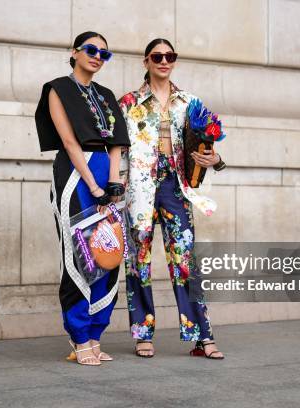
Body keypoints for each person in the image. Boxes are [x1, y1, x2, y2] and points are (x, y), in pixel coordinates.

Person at [119, 38, 227, 359]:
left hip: (175, 188)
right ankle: (143, 334)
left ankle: (202, 336)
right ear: (146, 61)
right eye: (157, 56)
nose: (164, 61)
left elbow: (207, 143)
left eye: (170, 56)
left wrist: (216, 160)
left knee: (185, 261)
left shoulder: (189, 102)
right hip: (139, 189)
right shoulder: (129, 103)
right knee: (138, 262)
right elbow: (119, 153)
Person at [35, 32, 130, 366]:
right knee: (79, 256)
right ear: (75, 52)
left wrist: (114, 183)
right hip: (76, 176)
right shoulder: (57, 88)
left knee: (109, 252)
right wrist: (95, 186)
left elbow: (118, 142)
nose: (97, 56)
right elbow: (69, 141)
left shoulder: (106, 95)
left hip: (107, 172)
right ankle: (78, 338)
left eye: (105, 53)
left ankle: (94, 336)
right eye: (91, 50)